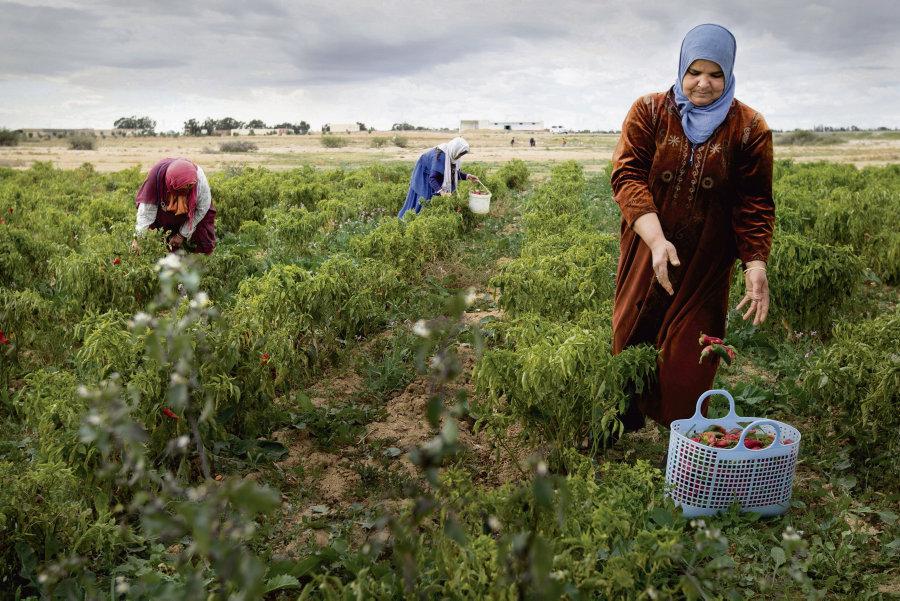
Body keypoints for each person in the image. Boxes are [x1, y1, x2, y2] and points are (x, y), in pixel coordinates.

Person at [609, 23, 774, 429]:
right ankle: (618, 423)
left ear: (729, 74)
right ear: (681, 69)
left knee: (692, 356)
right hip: (648, 252)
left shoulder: (749, 128)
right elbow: (627, 178)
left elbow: (754, 204)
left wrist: (755, 265)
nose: (704, 83)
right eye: (694, 71)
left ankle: (681, 441)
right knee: (632, 335)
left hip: (706, 263)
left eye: (716, 74)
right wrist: (657, 240)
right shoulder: (649, 111)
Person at [132, 157, 216, 254]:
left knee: (202, 240)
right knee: (159, 244)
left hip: (192, 211)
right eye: (184, 187)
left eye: (190, 186)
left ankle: (199, 264)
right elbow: (146, 213)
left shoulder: (199, 179)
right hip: (163, 213)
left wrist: (181, 235)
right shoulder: (155, 178)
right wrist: (138, 238)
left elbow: (201, 209)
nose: (188, 188)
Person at [398, 137, 480, 218]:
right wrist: (442, 192)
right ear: (455, 150)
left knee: (435, 197)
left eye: (461, 155)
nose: (459, 157)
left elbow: (453, 172)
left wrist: (467, 176)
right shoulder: (441, 157)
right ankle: (410, 220)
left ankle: (429, 219)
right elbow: (432, 178)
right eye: (460, 154)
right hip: (424, 173)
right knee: (425, 198)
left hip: (434, 173)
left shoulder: (451, 155)